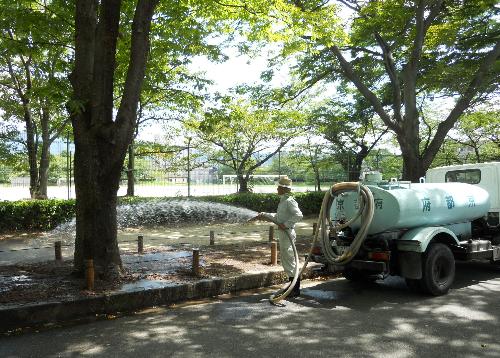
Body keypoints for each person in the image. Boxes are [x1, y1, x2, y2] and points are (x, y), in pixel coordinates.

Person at [252, 176, 303, 297]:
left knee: (289, 260)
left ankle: (295, 289)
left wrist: (286, 225)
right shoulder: (284, 201)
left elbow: (299, 215)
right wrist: (264, 214)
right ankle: (292, 287)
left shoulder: (289, 201)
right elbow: (279, 217)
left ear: (284, 189)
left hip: (287, 233)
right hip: (284, 234)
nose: (277, 188)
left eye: (279, 186)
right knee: (287, 260)